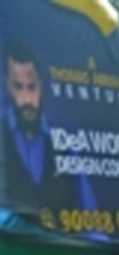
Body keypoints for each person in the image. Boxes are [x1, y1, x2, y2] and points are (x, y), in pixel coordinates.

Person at [3, 39, 75, 211]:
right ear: (7, 86)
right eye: (18, 87)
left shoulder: (64, 142)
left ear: (43, 85)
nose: (26, 99)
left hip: (55, 238)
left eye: (32, 87)